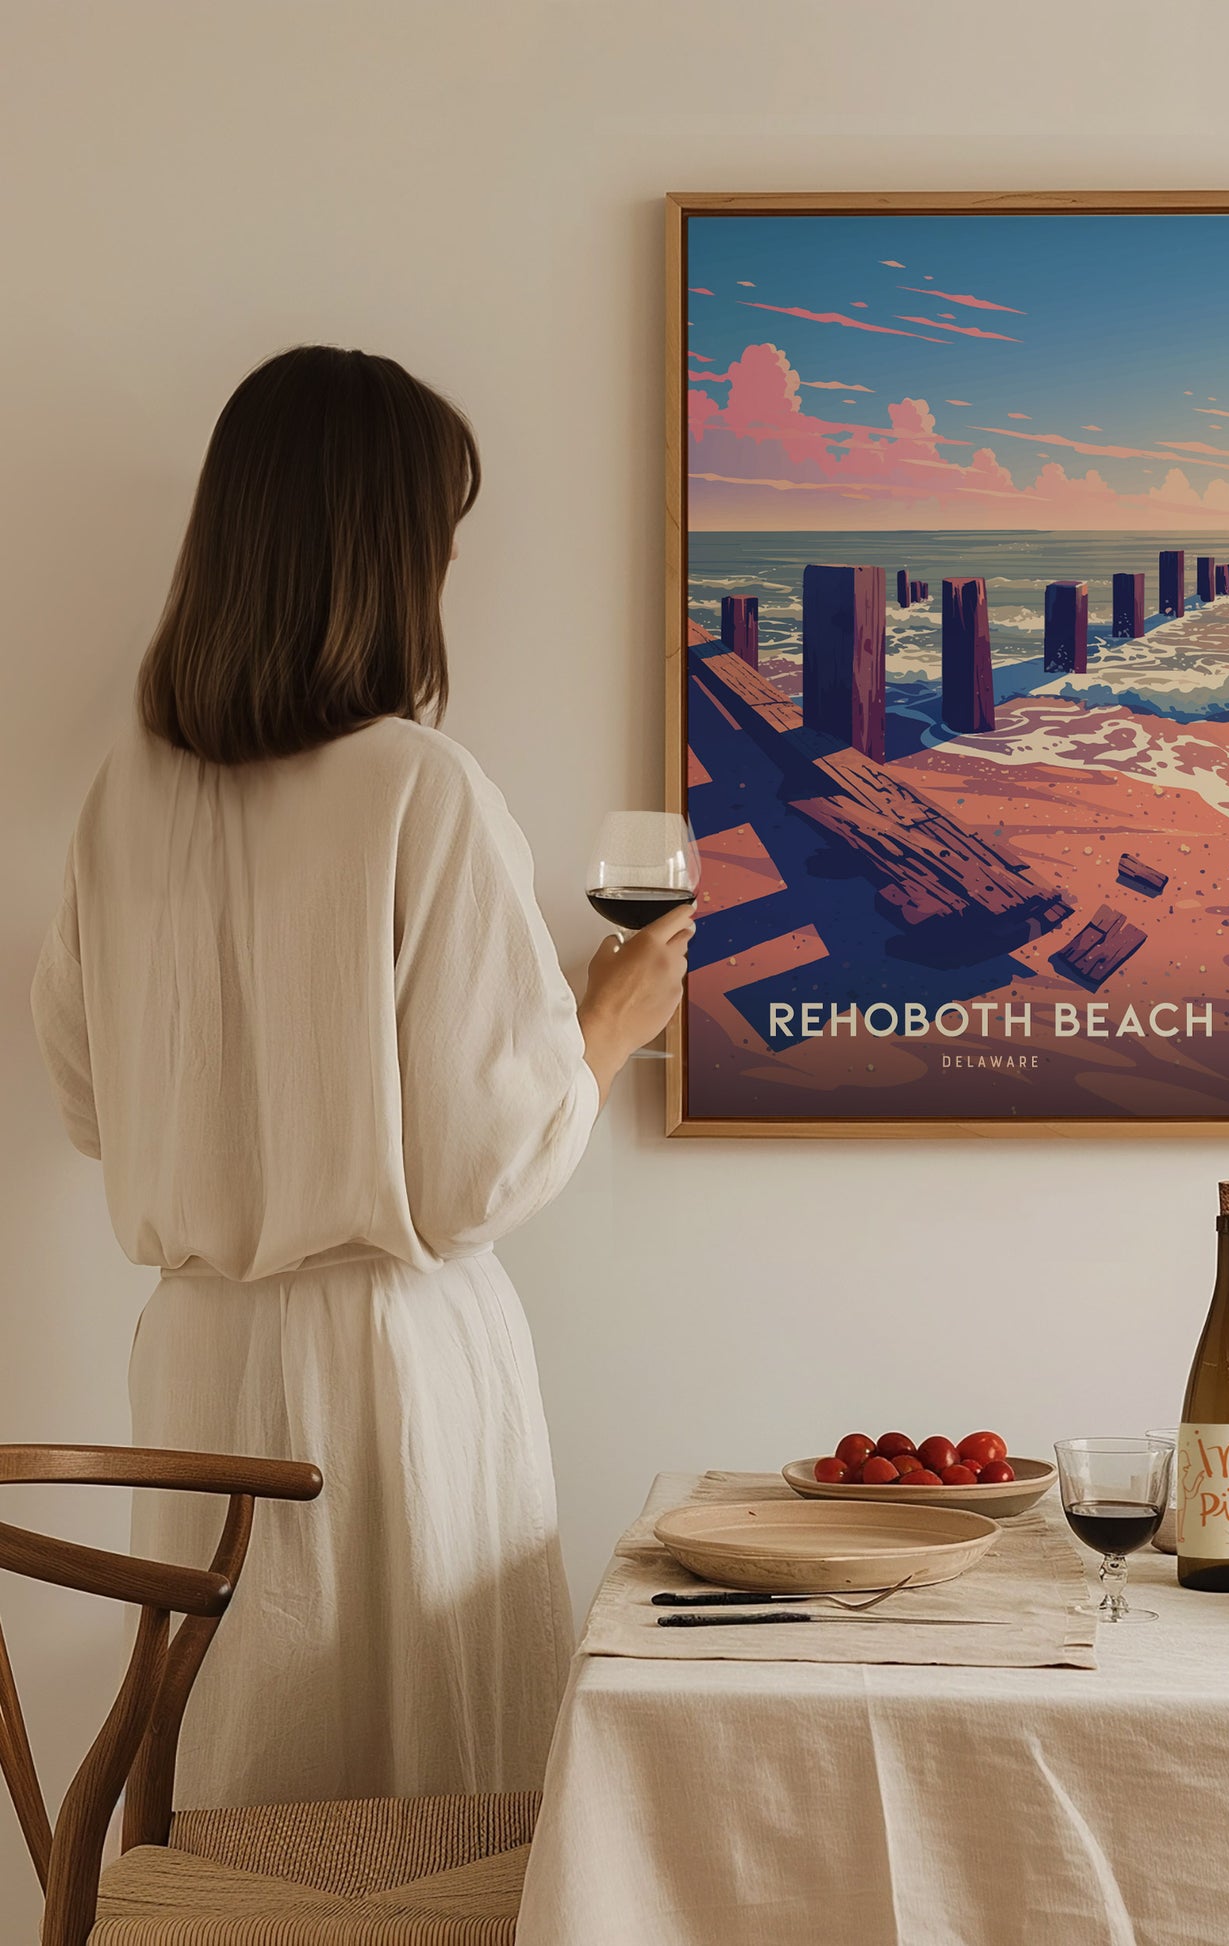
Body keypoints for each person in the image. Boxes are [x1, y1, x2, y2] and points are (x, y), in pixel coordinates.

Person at [29, 345, 689, 1806]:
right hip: (390, 1370)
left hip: (198, 1360)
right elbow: (474, 1173)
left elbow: (87, 1102)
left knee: (241, 1787)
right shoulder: (417, 785)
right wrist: (607, 1020)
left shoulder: (123, 797)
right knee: (423, 1808)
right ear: (388, 557)